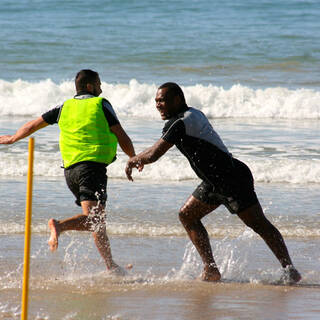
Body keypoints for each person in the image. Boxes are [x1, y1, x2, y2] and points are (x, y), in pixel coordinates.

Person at [125, 82, 301, 283]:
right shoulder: (192, 115)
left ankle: (290, 270)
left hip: (232, 179)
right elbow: (155, 150)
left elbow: (155, 153)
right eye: (156, 101)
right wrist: (138, 158)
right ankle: (211, 270)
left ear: (177, 100)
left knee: (259, 224)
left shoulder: (181, 122)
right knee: (187, 215)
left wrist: (133, 160)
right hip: (214, 181)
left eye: (162, 100)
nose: (158, 105)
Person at [0, 69, 135, 274]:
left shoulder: (64, 106)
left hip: (70, 171)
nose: (101, 87)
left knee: (95, 220)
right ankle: (59, 225)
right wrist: (133, 158)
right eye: (99, 84)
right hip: (91, 168)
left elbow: (33, 124)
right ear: (90, 86)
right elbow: (120, 133)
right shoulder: (101, 103)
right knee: (95, 220)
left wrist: (13, 138)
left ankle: (111, 265)